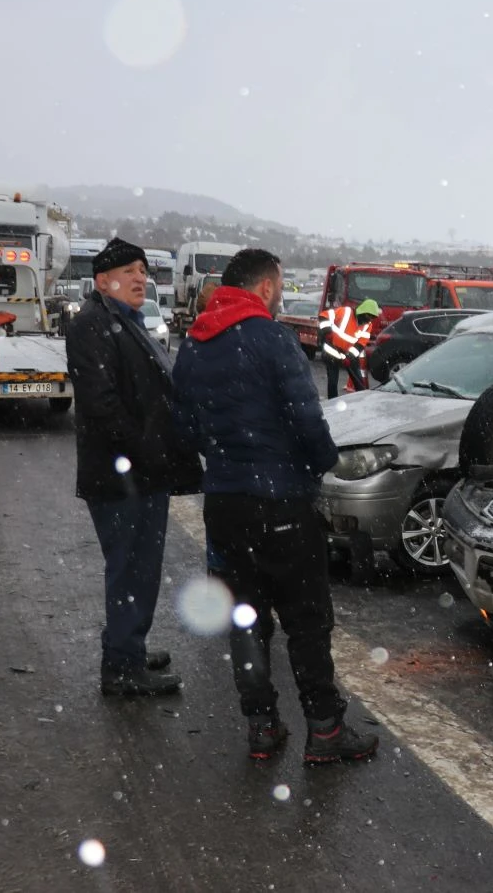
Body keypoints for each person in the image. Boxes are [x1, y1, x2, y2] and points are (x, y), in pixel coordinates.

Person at [174, 248, 379, 764]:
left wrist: (225, 460)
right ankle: (325, 732)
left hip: (224, 503)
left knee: (246, 618)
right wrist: (320, 464)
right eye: (280, 285)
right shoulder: (272, 339)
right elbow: (307, 420)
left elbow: (185, 425)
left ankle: (262, 726)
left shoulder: (194, 344)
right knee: (307, 621)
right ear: (266, 287)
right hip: (281, 501)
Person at [66, 237, 203, 698]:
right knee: (130, 571)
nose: (141, 278)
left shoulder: (128, 321)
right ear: (103, 280)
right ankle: (122, 669)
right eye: (130, 271)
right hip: (122, 475)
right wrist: (148, 449)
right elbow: (102, 405)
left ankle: (129, 646)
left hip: (142, 471)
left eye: (144, 270)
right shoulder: (91, 324)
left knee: (141, 569)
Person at [319, 298, 379, 398]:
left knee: (358, 381)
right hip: (331, 353)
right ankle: (333, 402)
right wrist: (327, 332)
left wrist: (350, 356)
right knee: (333, 381)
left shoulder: (367, 325)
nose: (369, 319)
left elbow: (361, 343)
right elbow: (323, 316)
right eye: (368, 316)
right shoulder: (345, 312)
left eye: (372, 317)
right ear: (363, 312)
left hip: (347, 355)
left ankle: (361, 399)